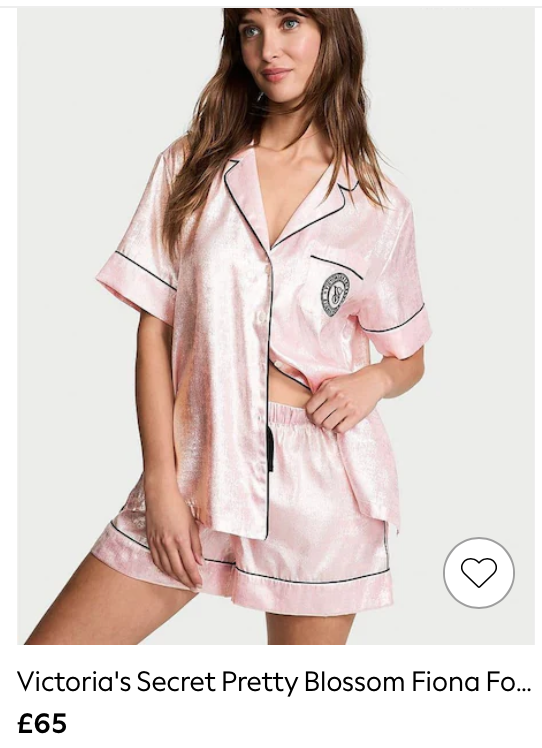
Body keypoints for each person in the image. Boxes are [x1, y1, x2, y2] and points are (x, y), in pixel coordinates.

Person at [25, 8, 432, 646]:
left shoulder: (377, 207)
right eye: (250, 28)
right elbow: (154, 332)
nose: (268, 48)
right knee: (46, 670)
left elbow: (410, 357)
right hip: (197, 467)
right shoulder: (191, 166)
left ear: (333, 33)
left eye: (290, 22)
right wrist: (160, 484)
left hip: (321, 487)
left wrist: (374, 380)